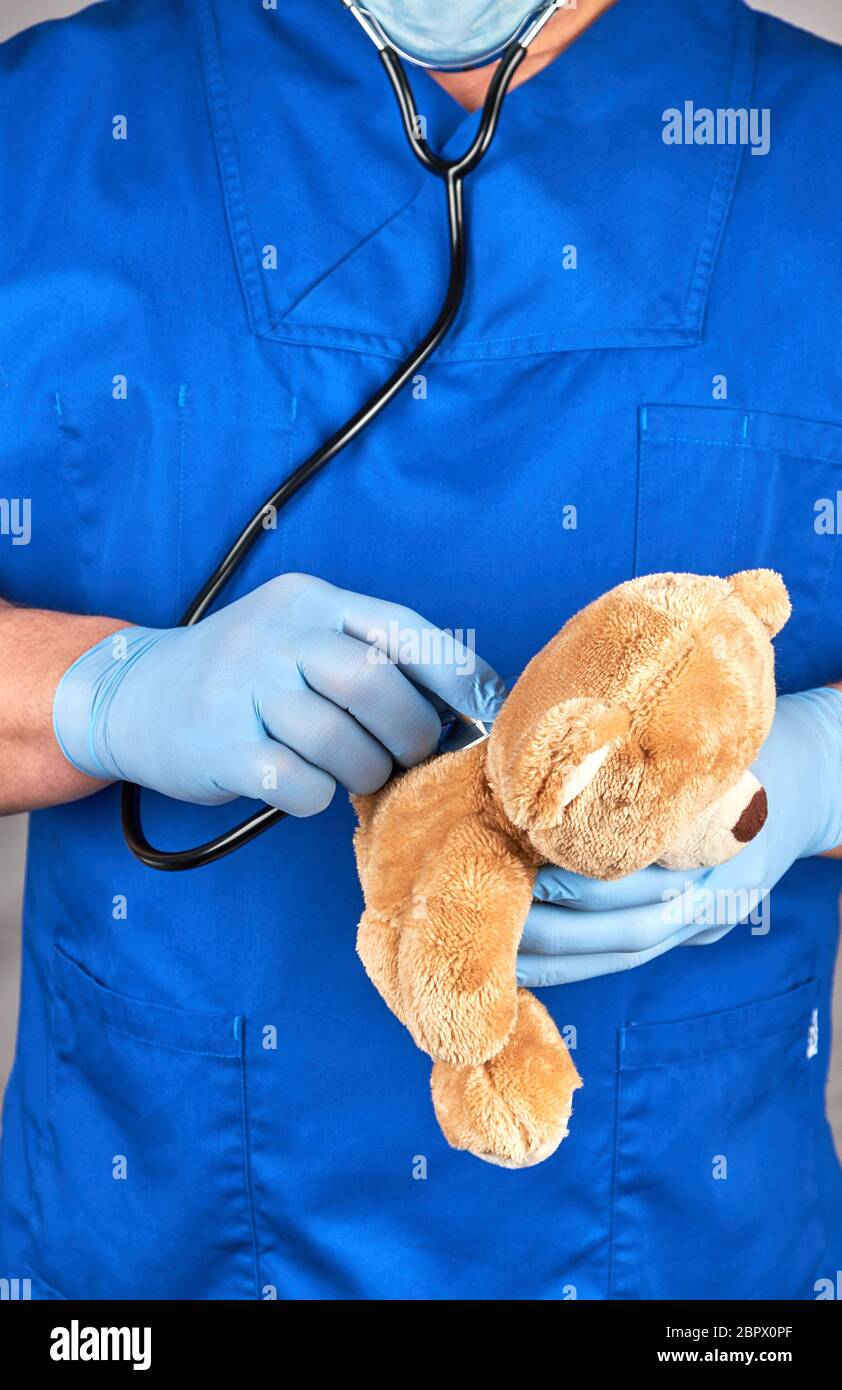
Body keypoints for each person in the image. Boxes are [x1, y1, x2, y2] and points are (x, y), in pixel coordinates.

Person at [1, 0, 841, 1301]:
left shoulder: (816, 153)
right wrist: (106, 695)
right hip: (151, 1260)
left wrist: (816, 771)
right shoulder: (43, 135)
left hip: (687, 1268)